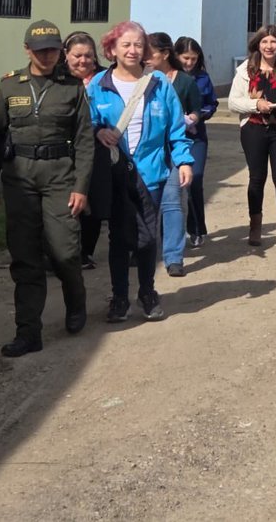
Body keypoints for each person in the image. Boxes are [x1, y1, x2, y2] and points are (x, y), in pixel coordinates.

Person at [0, 20, 94, 357]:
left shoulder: (72, 88)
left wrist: (81, 186)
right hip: (20, 179)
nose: (47, 56)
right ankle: (28, 332)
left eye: (53, 50)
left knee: (65, 252)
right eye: (40, 50)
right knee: (25, 256)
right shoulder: (9, 86)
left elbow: (85, 142)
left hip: (60, 177)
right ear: (27, 50)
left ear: (60, 51)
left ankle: (76, 302)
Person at [88, 21, 193, 324]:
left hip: (151, 172)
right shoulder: (98, 85)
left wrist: (184, 160)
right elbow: (88, 123)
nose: (132, 50)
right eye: (126, 45)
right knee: (119, 238)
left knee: (147, 236)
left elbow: (176, 127)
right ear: (112, 49)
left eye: (138, 45)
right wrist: (98, 132)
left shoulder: (158, 83)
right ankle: (120, 297)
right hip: (115, 172)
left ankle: (147, 292)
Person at [228, 25, 276, 251]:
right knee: (257, 178)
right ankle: (255, 226)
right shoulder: (246, 69)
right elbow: (233, 102)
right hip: (253, 129)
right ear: (258, 45)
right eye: (264, 42)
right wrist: (256, 104)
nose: (269, 46)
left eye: (273, 42)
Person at [146, 32, 203, 277]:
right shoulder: (137, 80)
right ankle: (141, 248)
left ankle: (173, 257)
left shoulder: (179, 82)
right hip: (145, 153)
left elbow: (196, 110)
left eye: (149, 52)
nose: (144, 57)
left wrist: (190, 121)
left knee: (172, 202)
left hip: (173, 149)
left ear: (165, 54)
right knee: (144, 204)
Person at [63, 30, 106, 270]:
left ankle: (84, 252)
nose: (83, 61)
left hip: (96, 149)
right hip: (63, 151)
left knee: (92, 203)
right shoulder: (58, 80)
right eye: (77, 56)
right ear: (66, 55)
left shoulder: (105, 79)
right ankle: (62, 251)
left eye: (88, 56)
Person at [175, 36, 218, 247]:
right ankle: (171, 232)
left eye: (194, 58)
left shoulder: (202, 78)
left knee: (195, 178)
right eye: (185, 58)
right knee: (172, 185)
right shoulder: (168, 77)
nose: (189, 62)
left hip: (196, 136)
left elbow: (212, 103)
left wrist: (199, 115)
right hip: (171, 137)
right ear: (175, 56)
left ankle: (197, 228)